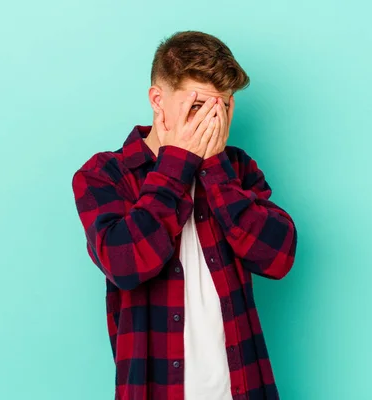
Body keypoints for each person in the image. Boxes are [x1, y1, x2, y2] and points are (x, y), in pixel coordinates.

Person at [71, 30, 298, 400]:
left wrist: (214, 169)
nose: (211, 122)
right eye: (197, 107)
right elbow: (124, 263)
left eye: (221, 107)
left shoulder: (236, 168)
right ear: (158, 101)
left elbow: (278, 258)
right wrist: (179, 165)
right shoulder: (104, 175)